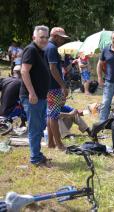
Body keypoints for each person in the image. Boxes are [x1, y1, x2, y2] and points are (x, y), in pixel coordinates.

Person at [20, 25, 51, 167]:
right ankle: (35, 159)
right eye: (41, 37)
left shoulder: (41, 51)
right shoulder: (31, 50)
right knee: (35, 128)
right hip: (32, 97)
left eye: (46, 37)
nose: (44, 40)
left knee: (39, 126)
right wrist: (32, 93)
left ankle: (37, 154)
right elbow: (24, 71)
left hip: (41, 96)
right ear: (34, 37)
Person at [44, 27, 69, 150]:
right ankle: (59, 144)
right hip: (53, 87)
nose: (63, 40)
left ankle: (51, 143)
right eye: (61, 38)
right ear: (54, 36)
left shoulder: (46, 47)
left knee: (50, 115)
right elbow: (53, 69)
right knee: (54, 116)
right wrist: (62, 85)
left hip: (48, 85)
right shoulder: (52, 48)